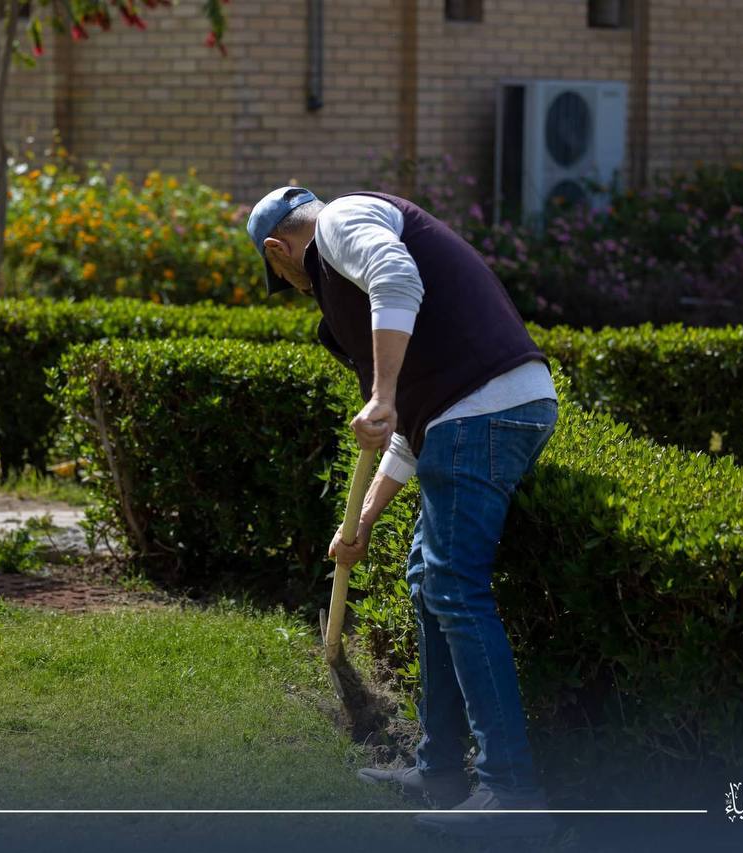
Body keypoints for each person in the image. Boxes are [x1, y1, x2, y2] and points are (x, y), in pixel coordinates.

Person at [246, 186, 559, 840]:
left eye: (282, 277)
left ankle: (512, 795)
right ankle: (439, 769)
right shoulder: (352, 299)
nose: (297, 288)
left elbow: (397, 275)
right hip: (469, 414)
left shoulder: (340, 221)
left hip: (483, 410)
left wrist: (383, 393)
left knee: (455, 588)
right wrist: (360, 520)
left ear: (278, 251)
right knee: (428, 581)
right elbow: (407, 432)